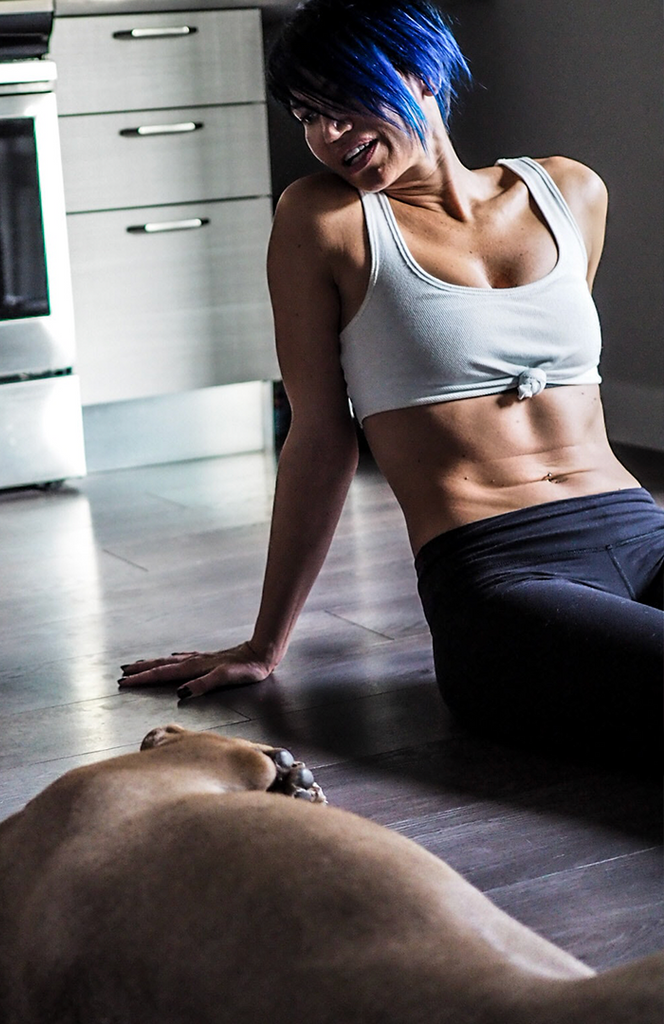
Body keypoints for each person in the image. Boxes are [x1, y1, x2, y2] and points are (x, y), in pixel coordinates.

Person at [119, 0, 663, 765]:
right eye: (306, 113)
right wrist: (265, 643)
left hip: (642, 533)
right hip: (500, 577)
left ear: (420, 71)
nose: (324, 135)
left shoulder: (569, 192)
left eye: (339, 100)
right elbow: (317, 435)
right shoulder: (325, 222)